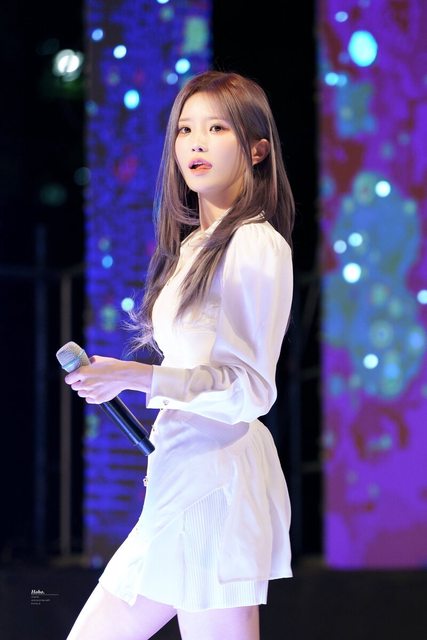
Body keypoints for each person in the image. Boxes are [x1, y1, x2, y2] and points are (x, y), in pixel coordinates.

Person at [63, 69, 295, 640]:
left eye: (217, 128)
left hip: (217, 483)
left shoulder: (254, 243)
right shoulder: (194, 246)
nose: (196, 142)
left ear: (257, 149)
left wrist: (136, 376)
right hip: (183, 473)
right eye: (186, 129)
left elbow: (249, 388)